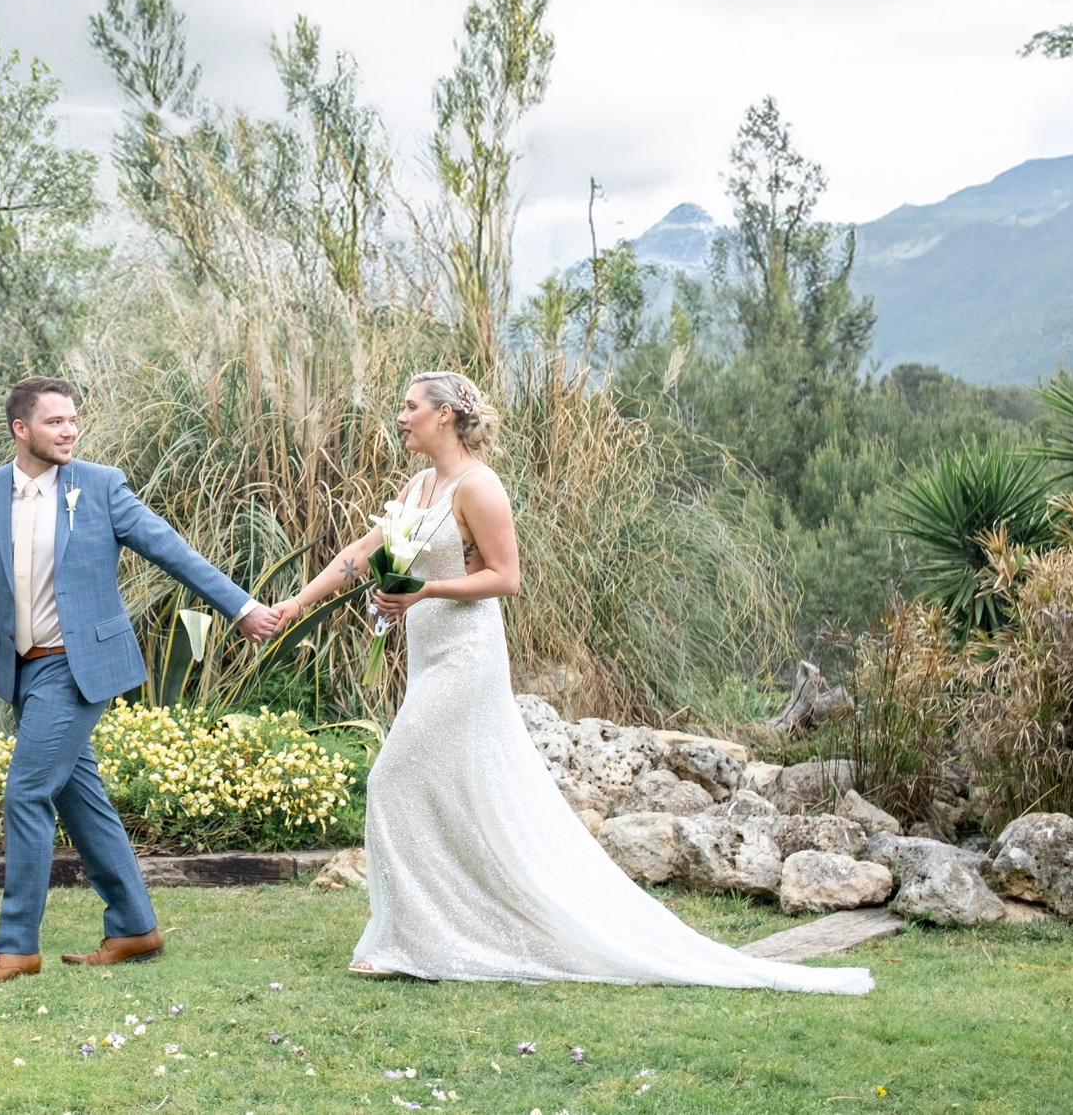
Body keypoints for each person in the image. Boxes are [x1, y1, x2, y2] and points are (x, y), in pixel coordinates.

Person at [265, 370, 873, 994]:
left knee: (392, 778)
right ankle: (439, 927)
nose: (401, 416)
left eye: (410, 405)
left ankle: (409, 938)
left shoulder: (479, 486)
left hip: (466, 656)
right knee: (440, 789)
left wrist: (424, 590)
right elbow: (361, 554)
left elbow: (506, 578)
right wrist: (296, 603)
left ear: (444, 415)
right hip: (426, 653)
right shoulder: (420, 485)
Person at [0, 376, 284, 983]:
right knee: (80, 800)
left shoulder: (99, 486)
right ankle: (133, 928)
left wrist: (240, 607)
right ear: (21, 429)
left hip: (78, 667)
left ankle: (16, 946)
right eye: (54, 422)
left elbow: (169, 548)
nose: (69, 430)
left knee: (26, 792)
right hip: (23, 669)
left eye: (73, 420)